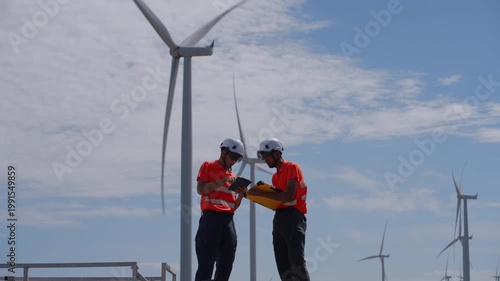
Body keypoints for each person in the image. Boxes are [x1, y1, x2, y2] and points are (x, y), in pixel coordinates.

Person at [247, 138, 310, 281]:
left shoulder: (292, 167)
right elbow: (277, 199)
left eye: (267, 156)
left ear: (276, 154)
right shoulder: (275, 177)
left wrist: (262, 193)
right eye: (263, 157)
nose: (265, 160)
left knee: (297, 264)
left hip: (294, 218)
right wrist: (258, 195)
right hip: (279, 219)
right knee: (283, 267)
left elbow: (288, 196)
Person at [194, 137, 247, 281]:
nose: (234, 161)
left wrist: (241, 196)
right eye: (233, 157)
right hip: (211, 219)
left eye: (237, 159)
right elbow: (201, 189)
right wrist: (221, 181)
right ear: (223, 152)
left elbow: (233, 206)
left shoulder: (233, 177)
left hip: (229, 221)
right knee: (206, 265)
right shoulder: (208, 166)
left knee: (226, 264)